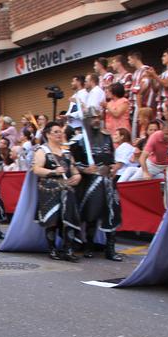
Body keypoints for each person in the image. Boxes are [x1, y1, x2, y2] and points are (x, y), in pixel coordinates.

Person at [71, 108, 123, 260]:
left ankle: (110, 249)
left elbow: (111, 157)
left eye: (98, 117)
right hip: (91, 182)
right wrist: (85, 169)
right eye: (93, 117)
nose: (96, 120)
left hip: (107, 180)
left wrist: (113, 167)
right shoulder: (80, 140)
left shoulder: (107, 137)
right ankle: (89, 245)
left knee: (112, 213)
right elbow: (74, 163)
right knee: (91, 214)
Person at [33, 122, 81, 261]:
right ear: (48, 134)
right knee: (52, 220)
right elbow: (37, 169)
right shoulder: (42, 151)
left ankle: (68, 250)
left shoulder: (66, 152)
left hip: (67, 189)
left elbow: (74, 170)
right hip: (50, 189)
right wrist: (53, 171)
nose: (60, 134)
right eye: (56, 132)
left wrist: (77, 176)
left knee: (69, 219)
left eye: (60, 131)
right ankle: (52, 249)